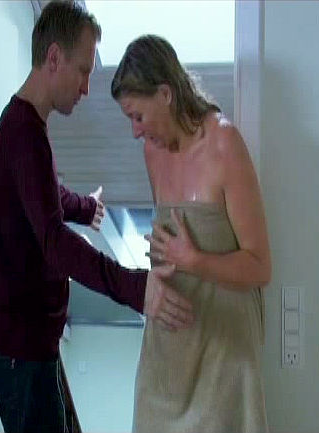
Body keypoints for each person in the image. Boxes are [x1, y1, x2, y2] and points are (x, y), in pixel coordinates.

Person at [0, 4, 195, 433]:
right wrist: (136, 288)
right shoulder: (23, 132)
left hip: (33, 348)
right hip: (21, 353)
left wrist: (84, 207)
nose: (85, 87)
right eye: (82, 71)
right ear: (54, 57)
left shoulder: (28, 127)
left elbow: (42, 196)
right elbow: (54, 241)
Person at [111, 34, 272, 433]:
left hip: (223, 356)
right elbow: (168, 243)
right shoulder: (152, 152)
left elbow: (259, 267)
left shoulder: (224, 144)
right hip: (168, 352)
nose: (134, 132)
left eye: (138, 116)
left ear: (165, 94)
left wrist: (194, 260)